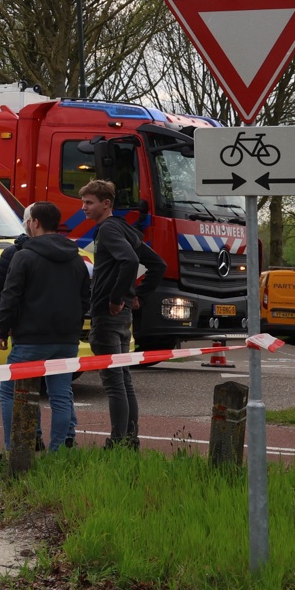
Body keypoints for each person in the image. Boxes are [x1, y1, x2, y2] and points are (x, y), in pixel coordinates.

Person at [0, 200, 87, 462]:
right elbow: (85, 299)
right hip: (66, 340)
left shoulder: (23, 256)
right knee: (60, 395)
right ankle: (58, 455)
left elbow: (10, 296)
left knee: (10, 391)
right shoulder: (76, 259)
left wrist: (3, 330)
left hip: (31, 339)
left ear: (34, 223)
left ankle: (16, 451)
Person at [81, 179, 168, 449]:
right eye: (83, 202)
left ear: (106, 204)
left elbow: (129, 261)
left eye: (89, 203)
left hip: (109, 316)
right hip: (124, 315)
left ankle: (118, 440)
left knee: (114, 382)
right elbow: (157, 264)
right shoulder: (124, 227)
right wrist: (138, 296)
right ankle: (130, 439)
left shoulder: (107, 229)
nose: (84, 208)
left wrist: (118, 298)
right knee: (124, 380)